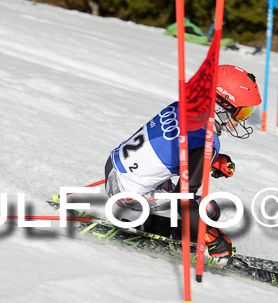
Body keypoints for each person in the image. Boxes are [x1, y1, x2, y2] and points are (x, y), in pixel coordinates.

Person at [104, 65, 262, 263]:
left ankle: (157, 227)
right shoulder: (206, 142)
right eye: (241, 113)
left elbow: (171, 147)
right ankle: (180, 247)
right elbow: (183, 200)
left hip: (114, 167)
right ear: (220, 106)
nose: (241, 122)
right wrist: (213, 238)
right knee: (208, 209)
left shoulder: (182, 107)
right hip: (128, 193)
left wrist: (213, 160)